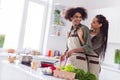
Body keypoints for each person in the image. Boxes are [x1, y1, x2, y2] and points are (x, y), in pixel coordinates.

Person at [60, 7, 92, 72]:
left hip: (80, 62)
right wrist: (64, 54)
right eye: (76, 17)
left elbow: (88, 47)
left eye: (80, 17)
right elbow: (69, 48)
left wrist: (73, 51)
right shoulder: (70, 31)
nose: (79, 19)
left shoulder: (84, 29)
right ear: (71, 17)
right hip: (69, 61)